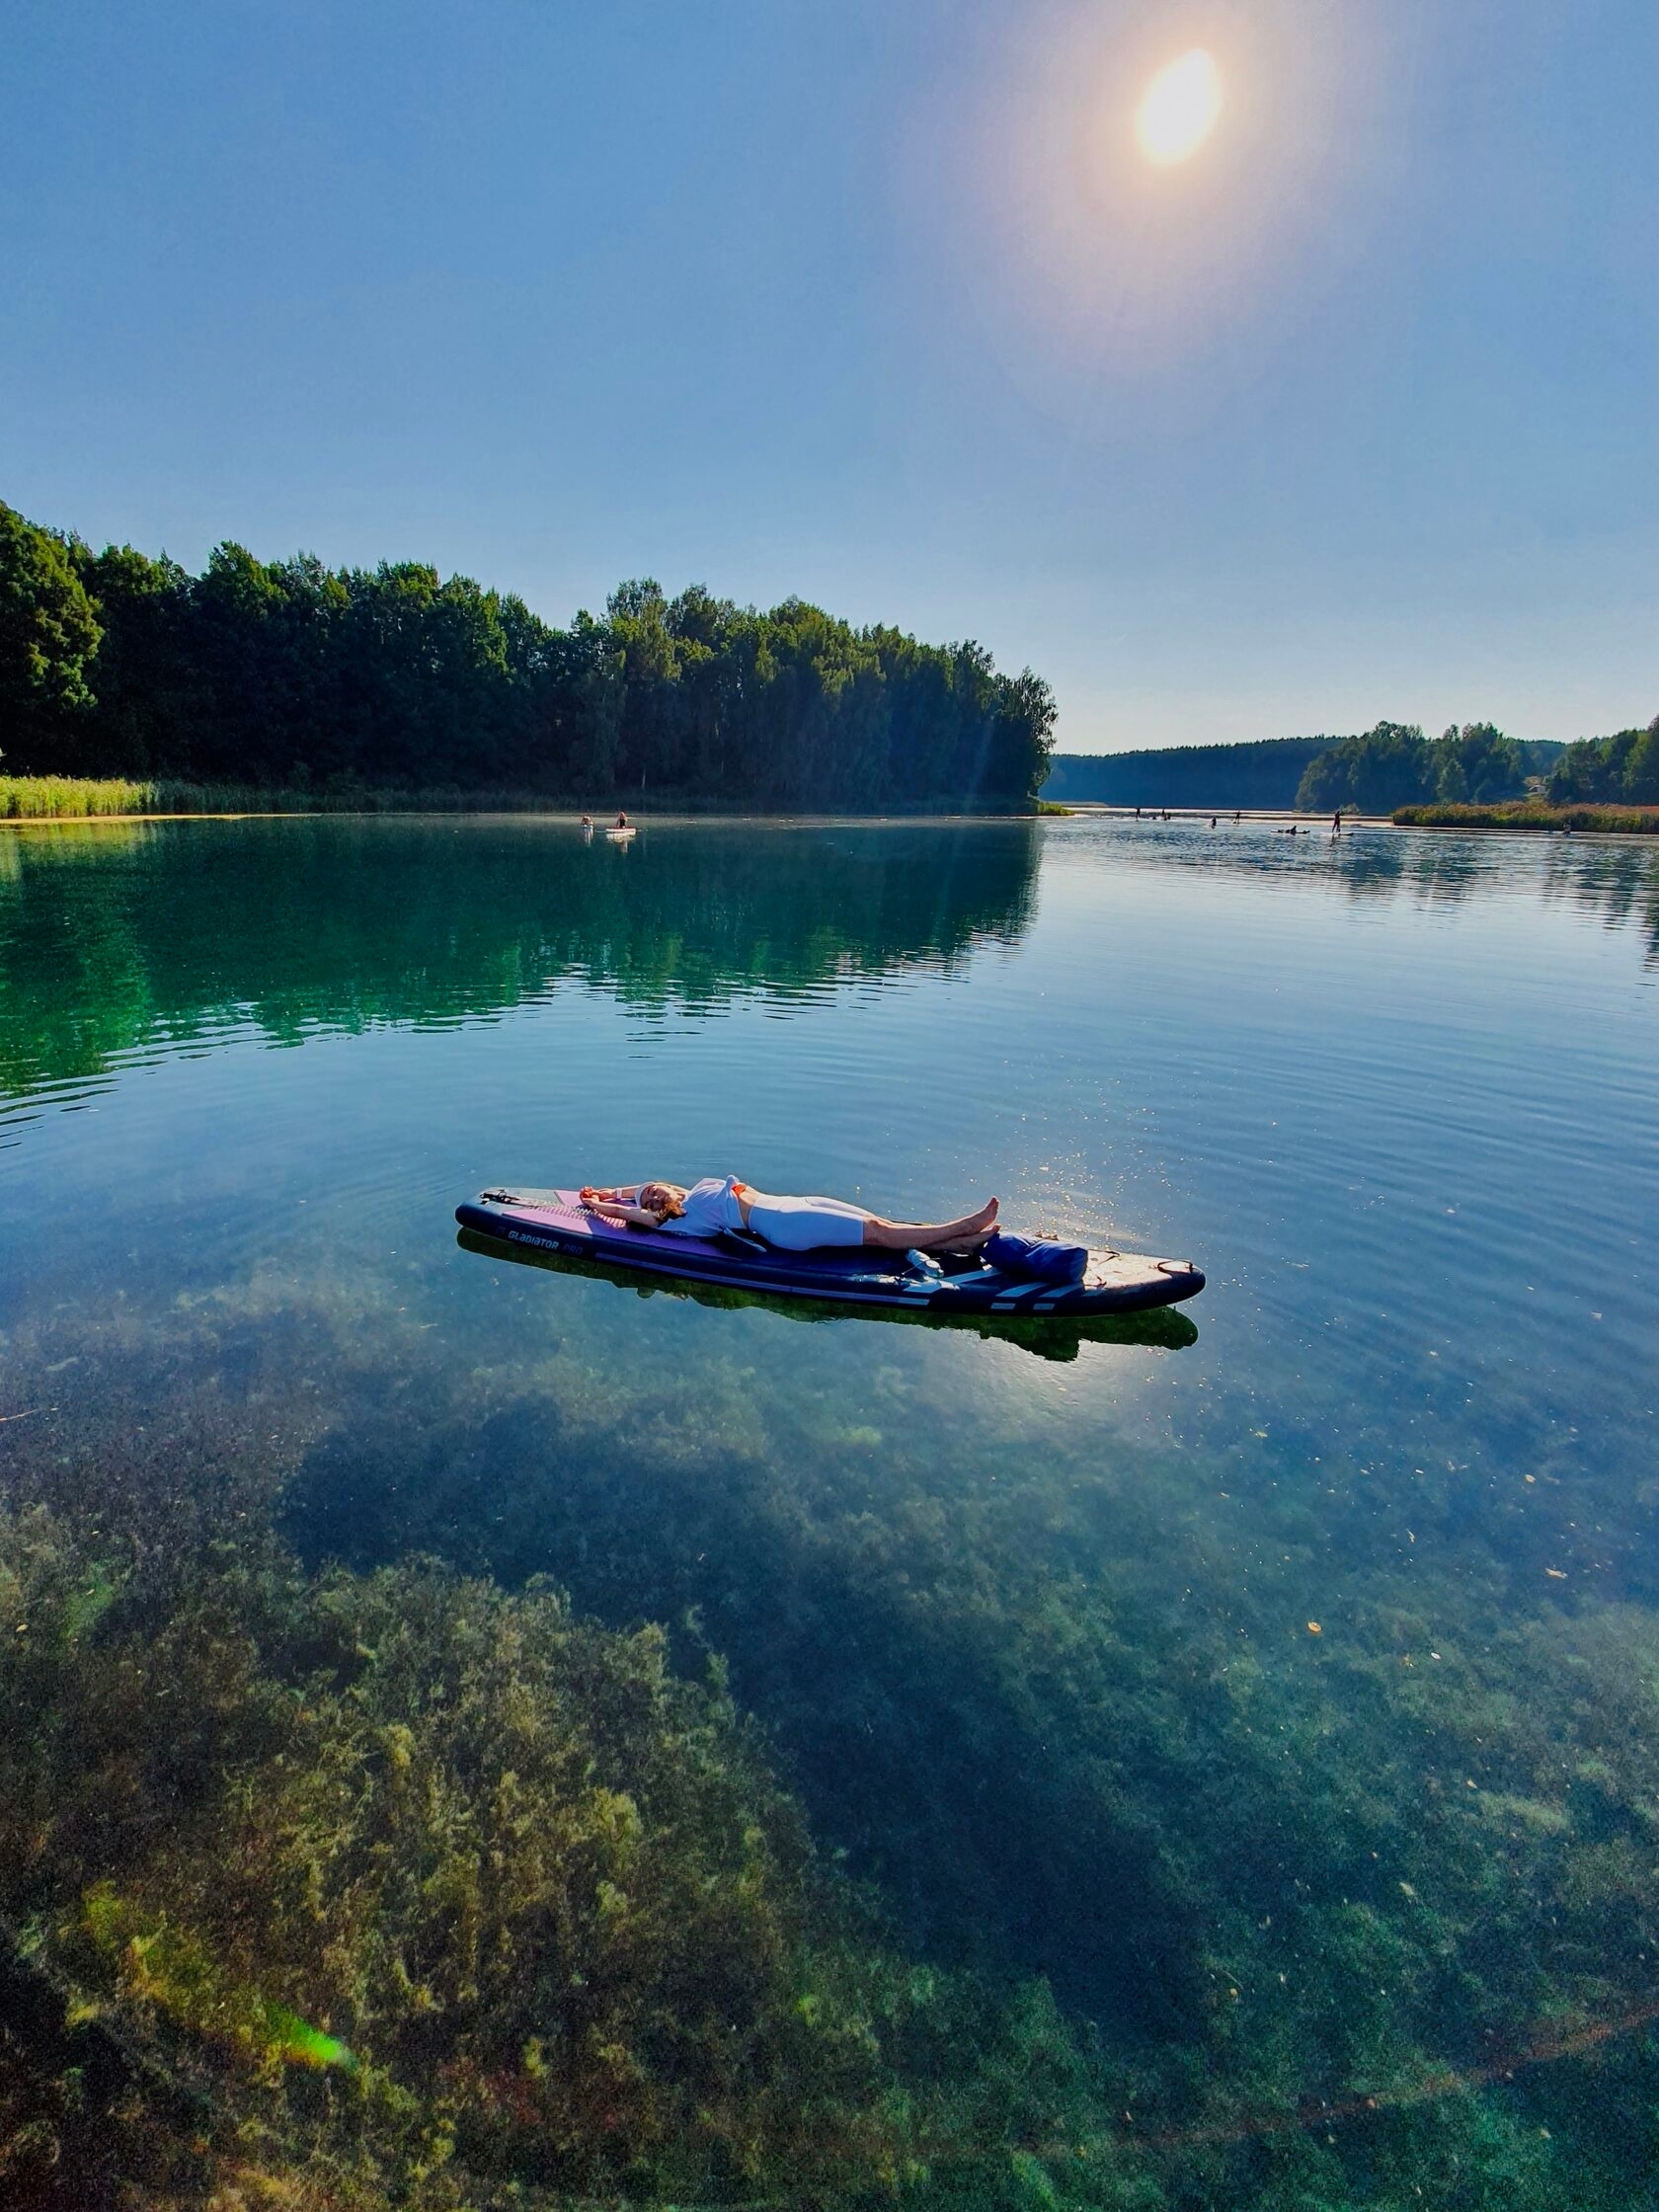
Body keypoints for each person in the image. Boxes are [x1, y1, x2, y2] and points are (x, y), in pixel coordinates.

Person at [576, 1176, 998, 1253]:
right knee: (878, 1232)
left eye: (652, 1189)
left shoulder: (688, 1189)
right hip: (784, 1224)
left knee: (880, 1224)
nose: (651, 1192)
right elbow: (633, 1214)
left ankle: (961, 1243)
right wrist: (599, 1205)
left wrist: (615, 1188)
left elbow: (638, 1187)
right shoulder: (675, 1214)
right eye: (650, 1197)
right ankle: (963, 1226)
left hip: (795, 1202)